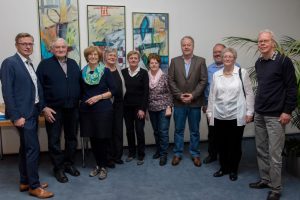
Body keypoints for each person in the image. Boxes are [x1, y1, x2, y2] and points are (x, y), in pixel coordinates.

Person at [0, 33, 54, 198]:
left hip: (32, 112)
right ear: (16, 45)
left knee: (25, 149)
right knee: (33, 149)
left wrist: (42, 107)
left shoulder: (29, 63)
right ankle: (34, 186)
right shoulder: (10, 63)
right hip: (23, 115)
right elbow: (7, 92)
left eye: (30, 44)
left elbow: (35, 89)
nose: (28, 46)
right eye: (24, 44)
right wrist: (16, 116)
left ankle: (25, 181)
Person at [249, 30, 297, 200]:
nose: (262, 44)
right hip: (260, 113)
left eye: (265, 41)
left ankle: (276, 188)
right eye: (260, 41)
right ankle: (265, 179)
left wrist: (287, 111)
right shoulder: (259, 63)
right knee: (261, 149)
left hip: (276, 115)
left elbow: (292, 88)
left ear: (273, 43)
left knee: (274, 153)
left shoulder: (284, 61)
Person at [36, 38, 81, 183]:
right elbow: (38, 88)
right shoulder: (44, 65)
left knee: (72, 138)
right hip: (53, 110)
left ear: (67, 49)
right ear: (52, 49)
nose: (61, 49)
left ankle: (68, 164)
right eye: (58, 47)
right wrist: (43, 107)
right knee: (54, 140)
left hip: (72, 108)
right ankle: (58, 168)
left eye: (63, 47)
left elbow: (79, 84)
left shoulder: (74, 64)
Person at [206, 47, 254, 181]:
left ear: (234, 59)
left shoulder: (241, 73)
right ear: (221, 58)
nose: (227, 59)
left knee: (234, 144)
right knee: (221, 143)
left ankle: (233, 169)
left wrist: (250, 111)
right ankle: (223, 168)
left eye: (230, 56)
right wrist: (210, 112)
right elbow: (212, 95)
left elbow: (249, 93)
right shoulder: (216, 75)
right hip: (219, 115)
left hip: (236, 115)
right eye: (225, 56)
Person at [168, 36, 207, 167]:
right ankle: (177, 153)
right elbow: (171, 80)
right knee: (178, 130)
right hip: (179, 103)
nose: (186, 47)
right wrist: (179, 95)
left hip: (194, 103)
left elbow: (203, 80)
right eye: (184, 45)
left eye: (188, 45)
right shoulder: (174, 61)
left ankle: (195, 154)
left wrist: (193, 95)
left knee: (194, 131)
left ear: (193, 46)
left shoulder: (201, 61)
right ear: (181, 46)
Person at [80, 46, 116, 180]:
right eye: (90, 55)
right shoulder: (82, 72)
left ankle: (104, 167)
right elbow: (81, 92)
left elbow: (113, 90)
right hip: (87, 111)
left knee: (103, 138)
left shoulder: (105, 71)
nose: (93, 57)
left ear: (99, 56)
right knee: (93, 139)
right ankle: (97, 165)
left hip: (103, 109)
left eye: (95, 55)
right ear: (87, 57)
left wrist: (98, 97)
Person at [122, 51, 149, 165]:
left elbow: (146, 92)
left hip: (139, 108)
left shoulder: (143, 73)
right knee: (129, 131)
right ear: (128, 60)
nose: (133, 60)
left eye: (135, 58)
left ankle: (141, 154)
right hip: (126, 107)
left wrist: (143, 108)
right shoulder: (123, 72)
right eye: (131, 58)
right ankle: (131, 153)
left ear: (138, 60)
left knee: (139, 130)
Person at [147, 53, 173, 166]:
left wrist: (169, 107)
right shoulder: (145, 76)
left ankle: (163, 154)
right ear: (148, 64)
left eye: (156, 63)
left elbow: (171, 93)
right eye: (151, 63)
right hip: (152, 108)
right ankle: (158, 150)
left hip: (164, 108)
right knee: (156, 131)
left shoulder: (165, 76)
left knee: (163, 132)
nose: (154, 64)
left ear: (159, 64)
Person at [202, 43, 226, 164]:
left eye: (219, 52)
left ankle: (225, 157)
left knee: (226, 134)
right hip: (211, 107)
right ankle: (212, 155)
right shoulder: (209, 69)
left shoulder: (235, 67)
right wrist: (205, 104)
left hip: (228, 108)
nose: (217, 54)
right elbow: (205, 87)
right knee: (212, 133)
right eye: (215, 52)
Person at [104, 48, 126, 167]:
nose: (112, 57)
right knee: (108, 131)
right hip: (107, 104)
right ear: (105, 57)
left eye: (114, 56)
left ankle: (118, 156)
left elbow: (122, 87)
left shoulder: (118, 68)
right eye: (110, 56)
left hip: (119, 104)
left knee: (118, 130)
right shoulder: (102, 70)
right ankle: (109, 158)